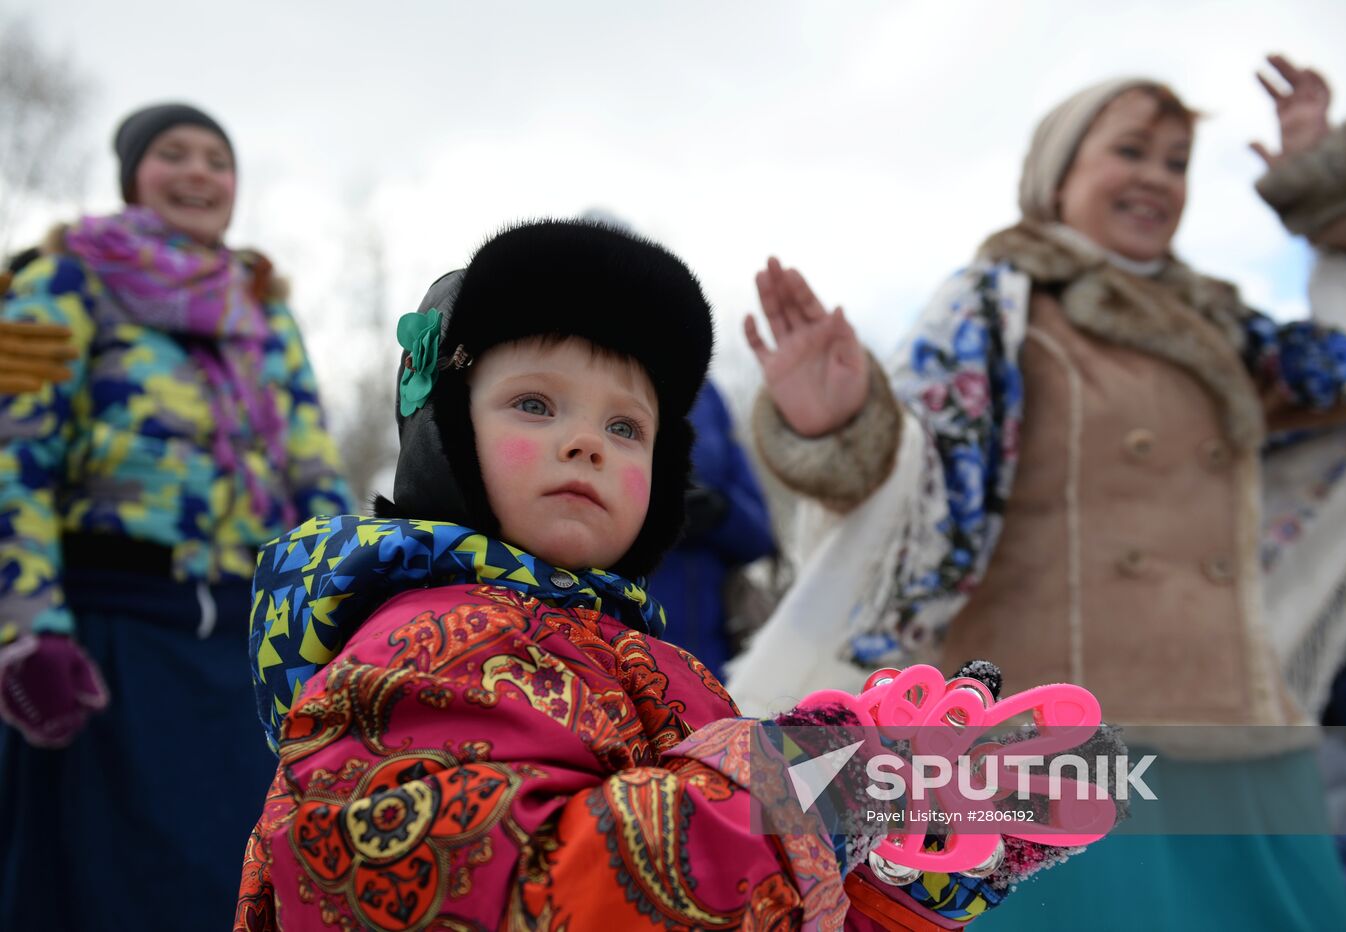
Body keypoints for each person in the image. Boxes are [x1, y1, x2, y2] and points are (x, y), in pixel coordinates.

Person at [234, 219, 1111, 930]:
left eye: (627, 428)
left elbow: (745, 902)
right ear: (445, 431)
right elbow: (518, 897)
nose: (585, 440)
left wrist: (897, 873)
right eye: (535, 404)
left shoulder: (644, 662)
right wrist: (811, 783)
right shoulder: (421, 649)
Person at [729, 56, 1346, 930]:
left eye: (1176, 162)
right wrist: (839, 424)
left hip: (1243, 739)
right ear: (1058, 176)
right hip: (1051, 743)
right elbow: (919, 482)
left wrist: (1329, 191)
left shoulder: (1230, 335)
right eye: (1132, 150)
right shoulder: (998, 306)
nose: (1157, 178)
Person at [0, 103, 352, 928]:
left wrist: (348, 612)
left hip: (241, 645)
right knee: (93, 883)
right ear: (133, 176)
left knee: (227, 876)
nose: (199, 172)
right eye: (173, 154)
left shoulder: (263, 308)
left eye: (217, 160)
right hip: (107, 633)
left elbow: (312, 466)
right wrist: (28, 630)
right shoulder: (64, 281)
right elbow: (17, 458)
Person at [647, 378, 777, 677]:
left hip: (713, 661)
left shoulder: (708, 395)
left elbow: (761, 534)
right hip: (618, 655)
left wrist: (721, 513)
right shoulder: (600, 373)